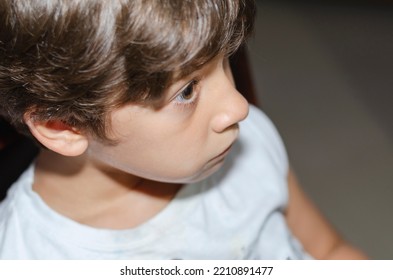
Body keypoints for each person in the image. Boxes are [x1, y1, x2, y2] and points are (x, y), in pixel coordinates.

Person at [0, 0, 366, 259]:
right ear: (64, 125)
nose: (238, 106)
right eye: (187, 90)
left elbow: (329, 252)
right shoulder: (29, 256)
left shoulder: (250, 143)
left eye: (226, 58)